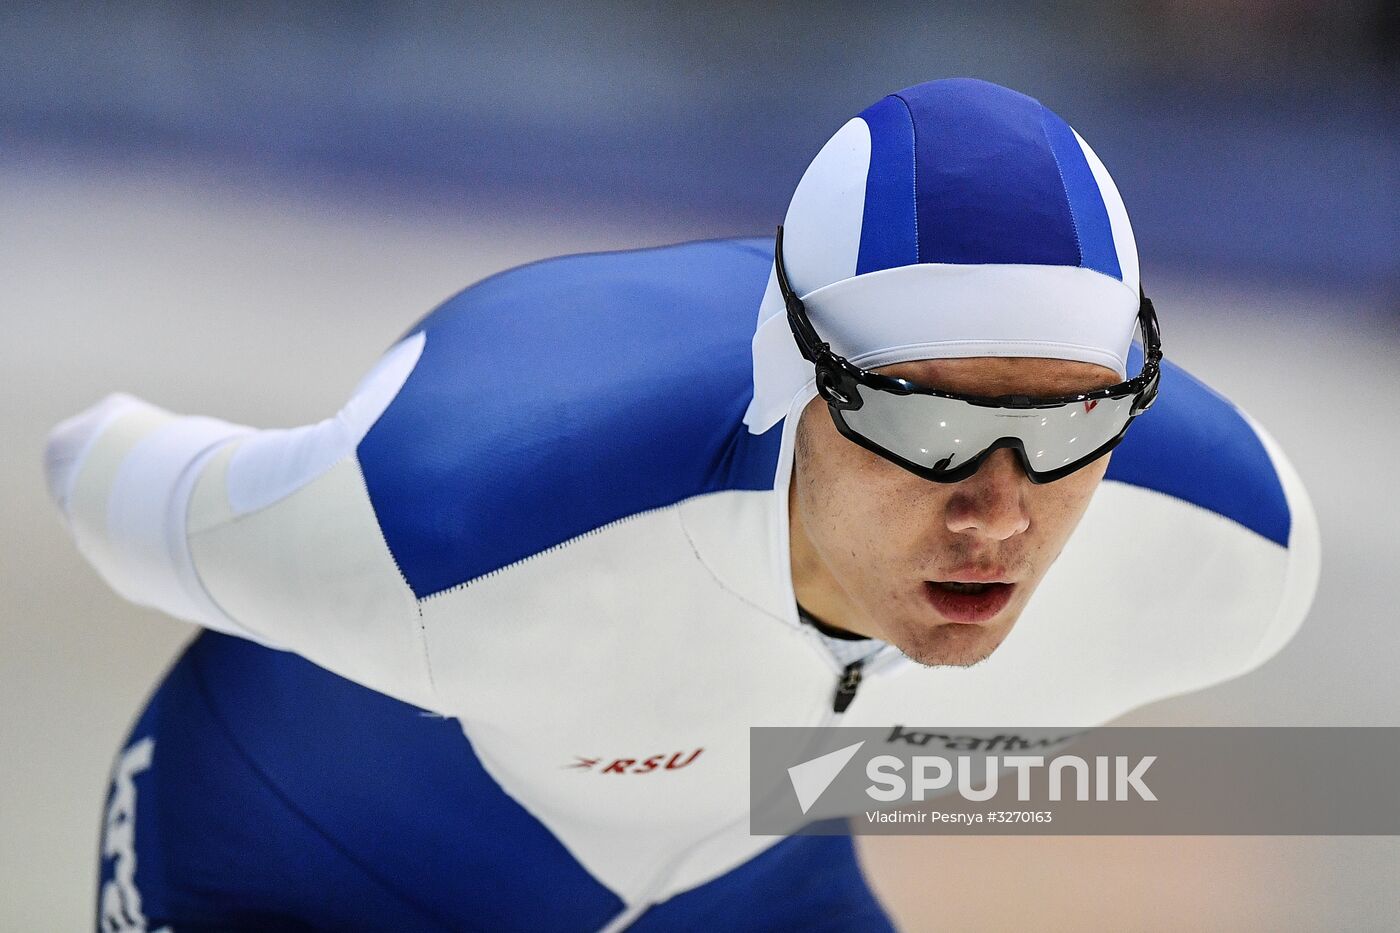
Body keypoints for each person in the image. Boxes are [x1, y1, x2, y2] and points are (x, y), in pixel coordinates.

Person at [46, 78, 1318, 932]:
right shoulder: (465, 528)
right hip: (305, 855)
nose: (995, 512)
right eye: (922, 424)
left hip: (745, 879)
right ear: (792, 382)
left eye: (1067, 422)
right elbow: (103, 470)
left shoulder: (1225, 554)